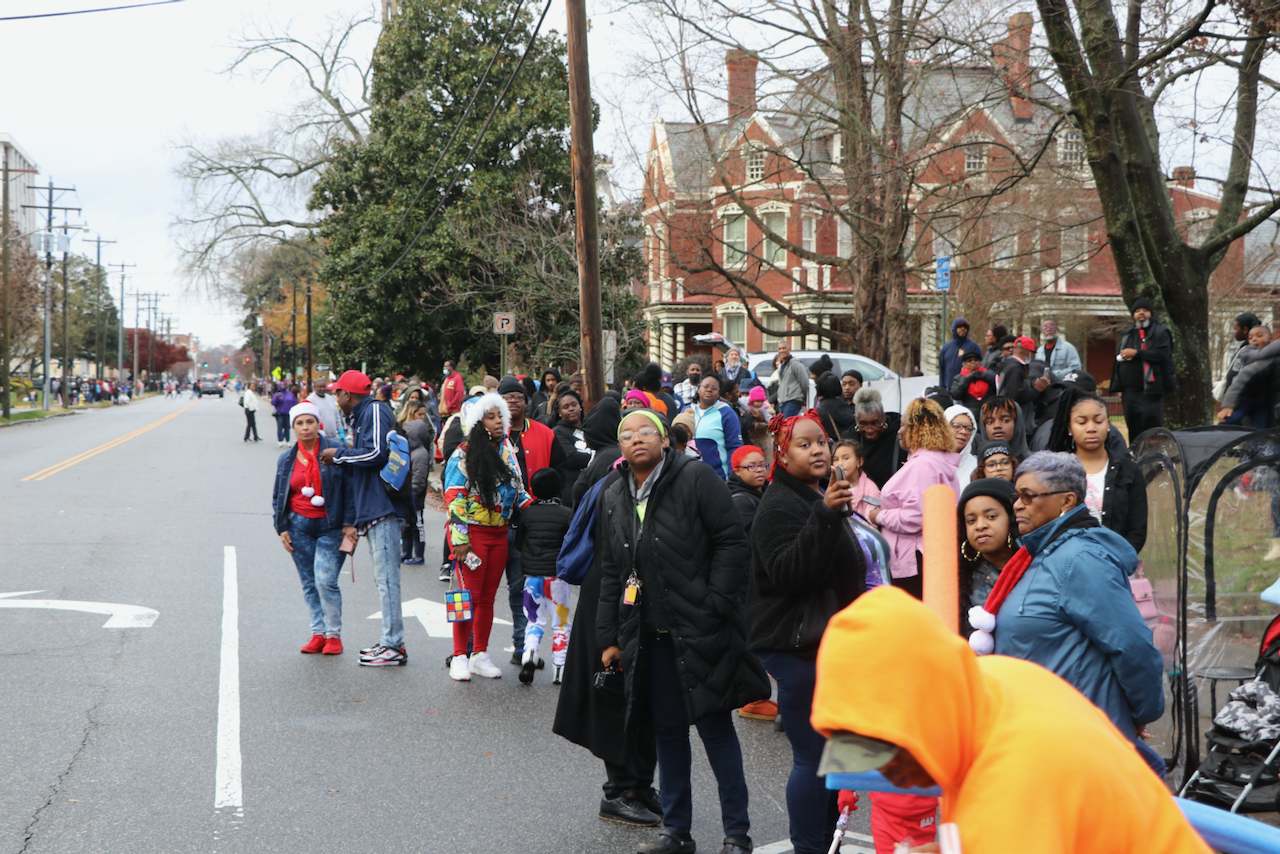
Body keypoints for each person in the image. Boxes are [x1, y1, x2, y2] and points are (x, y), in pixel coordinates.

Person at [810, 587, 1213, 854]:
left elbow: (1014, 815)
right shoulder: (989, 684)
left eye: (889, 749)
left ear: (926, 709)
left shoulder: (1014, 783)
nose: (887, 772)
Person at [598, 410, 769, 854]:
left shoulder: (695, 478)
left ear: (664, 440)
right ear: (620, 447)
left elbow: (731, 542)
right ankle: (676, 832)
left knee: (716, 731)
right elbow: (612, 572)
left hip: (700, 629)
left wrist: (715, 604)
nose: (637, 439)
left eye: (646, 432)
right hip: (648, 636)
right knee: (668, 733)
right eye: (627, 435)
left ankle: (737, 835)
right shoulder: (614, 493)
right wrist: (610, 638)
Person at [978, 452, 1167, 772]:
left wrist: (1140, 712)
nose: (1018, 505)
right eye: (1016, 496)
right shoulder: (1039, 555)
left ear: (1066, 501)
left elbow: (1132, 645)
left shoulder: (1081, 559)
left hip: (1078, 742)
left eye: (1028, 496)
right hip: (1043, 738)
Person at [746, 410, 866, 854]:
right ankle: (811, 847)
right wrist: (827, 516)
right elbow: (789, 575)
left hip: (827, 644)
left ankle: (826, 842)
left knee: (833, 756)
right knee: (813, 757)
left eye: (822, 442)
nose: (818, 450)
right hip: (795, 646)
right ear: (782, 454)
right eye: (804, 444)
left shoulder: (816, 493)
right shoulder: (779, 504)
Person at [319, 370, 407, 666]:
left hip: (384, 507)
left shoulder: (374, 410)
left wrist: (339, 455)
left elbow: (377, 453)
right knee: (384, 579)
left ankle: (393, 645)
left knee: (387, 580)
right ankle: (391, 642)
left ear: (347, 394)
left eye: (337, 393)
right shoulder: (364, 414)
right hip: (375, 506)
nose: (335, 398)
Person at [444, 392, 534, 681]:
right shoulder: (463, 453)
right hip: (472, 535)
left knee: (487, 598)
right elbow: (454, 497)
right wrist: (459, 539)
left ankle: (479, 655)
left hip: (500, 534)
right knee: (467, 598)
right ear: (478, 422)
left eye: (500, 416)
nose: (498, 421)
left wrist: (538, 512)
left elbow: (519, 492)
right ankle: (460, 655)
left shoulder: (507, 450)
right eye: (491, 417)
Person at [273, 402, 355, 655]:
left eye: (309, 421)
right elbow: (279, 495)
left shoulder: (335, 451)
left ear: (318, 424)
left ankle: (333, 635)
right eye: (299, 423)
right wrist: (282, 528)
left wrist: (350, 524)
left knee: (325, 581)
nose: (305, 427)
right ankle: (318, 633)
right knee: (309, 582)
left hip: (332, 527)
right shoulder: (286, 459)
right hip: (298, 526)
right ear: (293, 427)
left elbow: (350, 489)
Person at [499, 376, 566, 661]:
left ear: (527, 402)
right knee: (482, 591)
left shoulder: (545, 433)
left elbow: (560, 472)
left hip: (530, 523)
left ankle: (522, 647)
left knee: (521, 588)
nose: (513, 401)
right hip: (495, 523)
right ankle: (471, 650)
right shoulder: (491, 433)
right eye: (507, 397)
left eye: (518, 397)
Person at [867, 398, 960, 599]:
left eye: (903, 426)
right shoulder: (935, 462)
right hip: (926, 555)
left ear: (917, 429)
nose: (899, 431)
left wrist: (879, 516)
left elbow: (916, 517)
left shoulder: (923, 466)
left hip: (914, 559)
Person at [1046, 388, 1147, 553]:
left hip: (1117, 562)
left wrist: (1113, 559)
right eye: (1082, 422)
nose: (1091, 428)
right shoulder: (1056, 472)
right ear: (1069, 427)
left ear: (1108, 424)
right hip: (1068, 561)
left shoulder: (1129, 470)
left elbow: (1137, 530)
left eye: (1098, 421)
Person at [514, 467, 574, 685]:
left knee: (534, 620)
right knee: (561, 623)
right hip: (557, 578)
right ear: (559, 489)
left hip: (532, 577)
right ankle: (560, 667)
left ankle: (529, 652)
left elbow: (519, 543)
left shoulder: (527, 514)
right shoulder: (567, 514)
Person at [957, 478, 1019, 635]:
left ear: (1011, 518)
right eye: (971, 520)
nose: (980, 526)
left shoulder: (1037, 565)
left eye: (991, 516)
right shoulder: (961, 578)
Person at [1112, 297, 1176, 438]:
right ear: (1133, 315)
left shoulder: (1160, 332)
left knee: (1151, 431)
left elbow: (1162, 354)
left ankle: (1153, 453)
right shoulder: (1127, 334)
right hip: (1129, 392)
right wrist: (1119, 387)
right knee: (1133, 431)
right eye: (1137, 311)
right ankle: (1135, 453)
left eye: (1145, 310)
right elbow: (1119, 362)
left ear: (1151, 314)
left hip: (1150, 391)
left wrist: (1137, 353)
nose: (1141, 313)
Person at [1219, 323, 1277, 428]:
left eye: (1259, 336)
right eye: (1250, 338)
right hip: (1248, 397)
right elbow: (1241, 379)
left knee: (1260, 430)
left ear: (1270, 338)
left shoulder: (1272, 356)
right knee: (1229, 419)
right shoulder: (1248, 351)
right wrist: (1229, 404)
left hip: (1263, 400)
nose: (1254, 339)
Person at [400, 400, 435, 566]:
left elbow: (419, 479)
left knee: (417, 525)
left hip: (415, 498)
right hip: (407, 496)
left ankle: (419, 555)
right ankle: (405, 553)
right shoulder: (410, 451)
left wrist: (411, 496)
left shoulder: (420, 454)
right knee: (407, 526)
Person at [691, 374, 743, 479]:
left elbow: (734, 446)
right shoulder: (687, 410)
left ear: (719, 393)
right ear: (698, 389)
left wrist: (731, 478)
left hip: (717, 477)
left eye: (714, 388)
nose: (709, 390)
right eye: (705, 386)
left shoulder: (727, 413)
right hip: (689, 477)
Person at [852, 388, 903, 489]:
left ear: (884, 418)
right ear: (856, 420)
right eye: (863, 424)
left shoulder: (900, 435)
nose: (869, 429)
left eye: (875, 423)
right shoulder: (851, 438)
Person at [553, 389, 593, 504]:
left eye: (574, 405)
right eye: (566, 407)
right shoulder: (558, 432)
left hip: (593, 485)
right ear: (559, 412)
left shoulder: (590, 428)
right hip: (572, 489)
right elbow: (570, 457)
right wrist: (596, 457)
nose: (571, 409)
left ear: (580, 406)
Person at [831, 439, 881, 521]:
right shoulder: (832, 487)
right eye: (836, 459)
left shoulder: (870, 489)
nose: (840, 464)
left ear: (860, 461)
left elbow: (870, 522)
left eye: (846, 458)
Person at [727, 445, 768, 542]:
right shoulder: (740, 501)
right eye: (752, 466)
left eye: (762, 465)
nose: (759, 470)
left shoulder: (768, 490)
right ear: (737, 471)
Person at [974, 395, 1030, 461]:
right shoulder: (974, 465)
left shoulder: (1034, 464)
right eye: (990, 422)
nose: (997, 426)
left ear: (1017, 423)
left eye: (1005, 420)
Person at [938, 318, 983, 389]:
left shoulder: (974, 346)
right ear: (954, 329)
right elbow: (942, 368)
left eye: (965, 327)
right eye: (960, 327)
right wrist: (941, 386)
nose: (963, 329)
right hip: (949, 388)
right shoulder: (946, 348)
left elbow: (980, 367)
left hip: (968, 389)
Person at [949, 350, 994, 420]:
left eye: (976, 360)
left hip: (989, 412)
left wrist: (982, 375)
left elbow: (997, 386)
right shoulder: (959, 378)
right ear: (964, 364)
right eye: (969, 361)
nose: (973, 362)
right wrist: (967, 379)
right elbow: (956, 395)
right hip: (971, 414)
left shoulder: (990, 374)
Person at [815, 372, 856, 441]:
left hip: (831, 446)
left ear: (819, 388)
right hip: (849, 445)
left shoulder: (818, 412)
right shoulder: (850, 408)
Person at [943, 404, 978, 483]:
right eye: (957, 426)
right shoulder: (930, 462)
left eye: (969, 429)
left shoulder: (976, 467)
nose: (963, 432)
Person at [775, 341, 809, 417]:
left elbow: (804, 382)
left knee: (788, 423)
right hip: (782, 401)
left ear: (789, 349)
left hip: (793, 400)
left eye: (784, 348)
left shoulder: (795, 363)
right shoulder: (781, 365)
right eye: (779, 349)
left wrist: (805, 398)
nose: (781, 351)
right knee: (783, 423)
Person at [271, 382, 299, 447]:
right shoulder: (277, 394)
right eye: (281, 385)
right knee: (280, 427)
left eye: (284, 385)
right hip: (280, 414)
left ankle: (287, 441)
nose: (283, 386)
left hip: (288, 414)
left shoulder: (290, 394)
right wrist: (276, 398)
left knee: (287, 428)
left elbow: (295, 402)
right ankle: (280, 441)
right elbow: (273, 403)